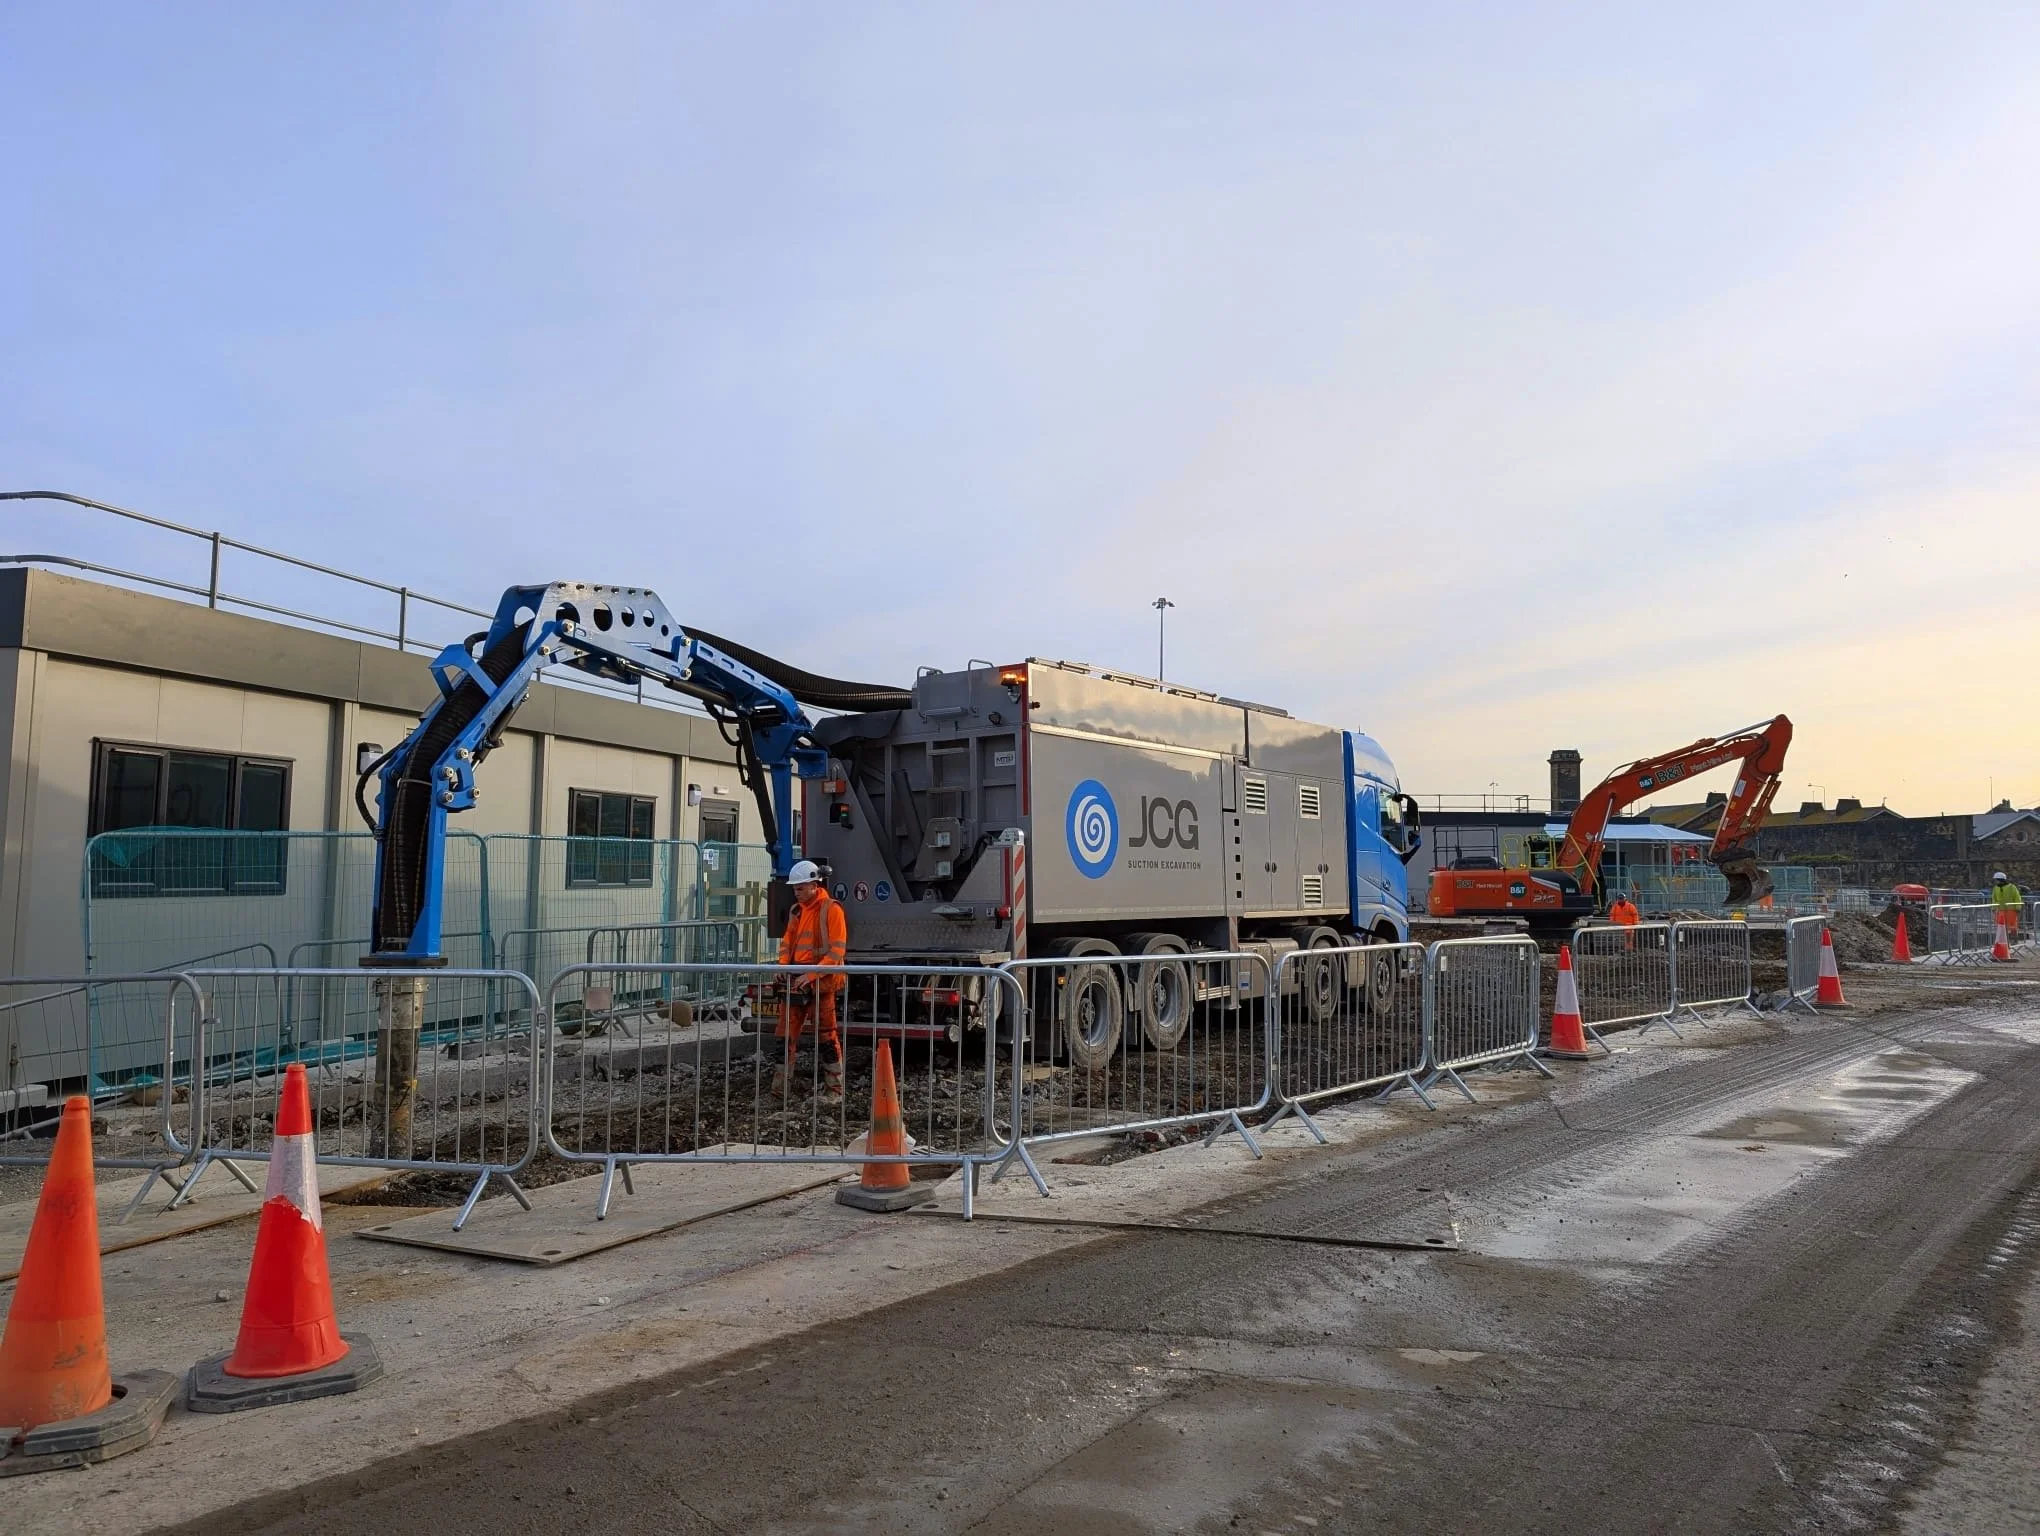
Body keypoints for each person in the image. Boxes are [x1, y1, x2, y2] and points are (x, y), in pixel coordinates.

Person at [776, 860, 847, 1098]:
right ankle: (779, 1093)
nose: (796, 893)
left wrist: (812, 974)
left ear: (815, 885)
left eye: (800, 888)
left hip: (819, 983)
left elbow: (837, 952)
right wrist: (783, 967)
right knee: (784, 1038)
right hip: (797, 981)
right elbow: (787, 943)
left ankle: (834, 1092)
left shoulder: (831, 909)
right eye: (795, 889)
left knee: (827, 1037)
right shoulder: (797, 911)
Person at [1990, 870, 2024, 959]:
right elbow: (1994, 898)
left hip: (2011, 911)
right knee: (2002, 929)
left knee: (2012, 928)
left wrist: (2018, 908)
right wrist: (1994, 908)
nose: (1995, 882)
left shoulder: (2011, 887)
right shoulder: (1996, 888)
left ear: (2000, 879)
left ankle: (2013, 942)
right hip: (2000, 912)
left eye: (1996, 880)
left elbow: (2017, 897)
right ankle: (2005, 945)